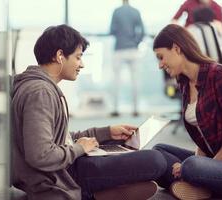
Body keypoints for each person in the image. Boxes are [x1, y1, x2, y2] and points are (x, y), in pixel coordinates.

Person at [11, 24, 167, 200]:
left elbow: (58, 138)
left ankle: (180, 180)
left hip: (65, 167)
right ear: (59, 56)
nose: (82, 65)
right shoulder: (40, 92)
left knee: (160, 154)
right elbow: (40, 155)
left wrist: (105, 133)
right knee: (155, 160)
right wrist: (80, 148)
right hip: (62, 177)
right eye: (78, 57)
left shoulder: (39, 87)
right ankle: (90, 194)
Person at [152, 24, 222, 199]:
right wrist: (201, 164)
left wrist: (198, 166)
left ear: (177, 48)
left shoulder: (221, 75)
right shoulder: (185, 83)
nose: (160, 65)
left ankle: (196, 183)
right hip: (212, 160)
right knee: (158, 154)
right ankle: (199, 187)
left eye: (161, 57)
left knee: (191, 166)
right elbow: (202, 136)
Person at [110, 0, 145, 117]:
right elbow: (142, 31)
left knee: (116, 81)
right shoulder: (136, 12)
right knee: (135, 81)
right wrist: (136, 41)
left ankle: (116, 109)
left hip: (119, 48)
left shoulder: (116, 11)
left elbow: (112, 30)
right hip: (133, 49)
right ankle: (136, 109)